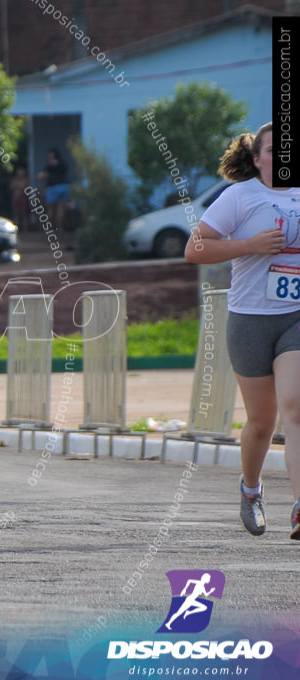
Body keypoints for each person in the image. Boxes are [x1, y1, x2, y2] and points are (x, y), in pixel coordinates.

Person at [185, 121, 300, 540]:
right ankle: (250, 491)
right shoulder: (240, 196)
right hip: (250, 318)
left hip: (295, 315)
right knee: (261, 421)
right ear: (257, 159)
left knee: (296, 406)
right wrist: (250, 246)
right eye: (273, 150)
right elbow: (194, 248)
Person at [42, 147, 71, 240]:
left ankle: (50, 232)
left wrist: (41, 176)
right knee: (60, 211)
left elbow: (45, 176)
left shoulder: (49, 166)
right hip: (64, 186)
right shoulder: (63, 164)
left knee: (50, 211)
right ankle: (60, 230)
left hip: (53, 188)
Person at [9, 165, 31, 231]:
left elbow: (28, 189)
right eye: (19, 171)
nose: (20, 172)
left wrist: (22, 188)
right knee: (16, 214)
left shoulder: (26, 180)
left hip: (23, 198)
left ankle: (25, 230)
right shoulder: (14, 180)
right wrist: (17, 186)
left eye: (22, 171)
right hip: (15, 198)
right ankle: (15, 230)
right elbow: (11, 187)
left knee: (24, 214)